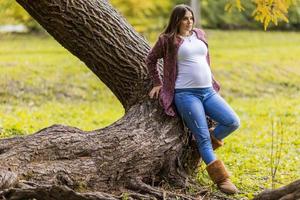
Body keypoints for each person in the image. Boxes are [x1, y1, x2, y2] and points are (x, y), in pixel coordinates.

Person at [145, 4, 240, 195]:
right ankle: (222, 179)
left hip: (208, 91)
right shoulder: (167, 40)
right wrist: (157, 83)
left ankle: (207, 142)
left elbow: (205, 60)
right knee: (202, 137)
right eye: (185, 18)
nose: (189, 22)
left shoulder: (199, 35)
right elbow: (151, 59)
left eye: (191, 18)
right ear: (176, 20)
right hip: (185, 94)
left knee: (232, 122)